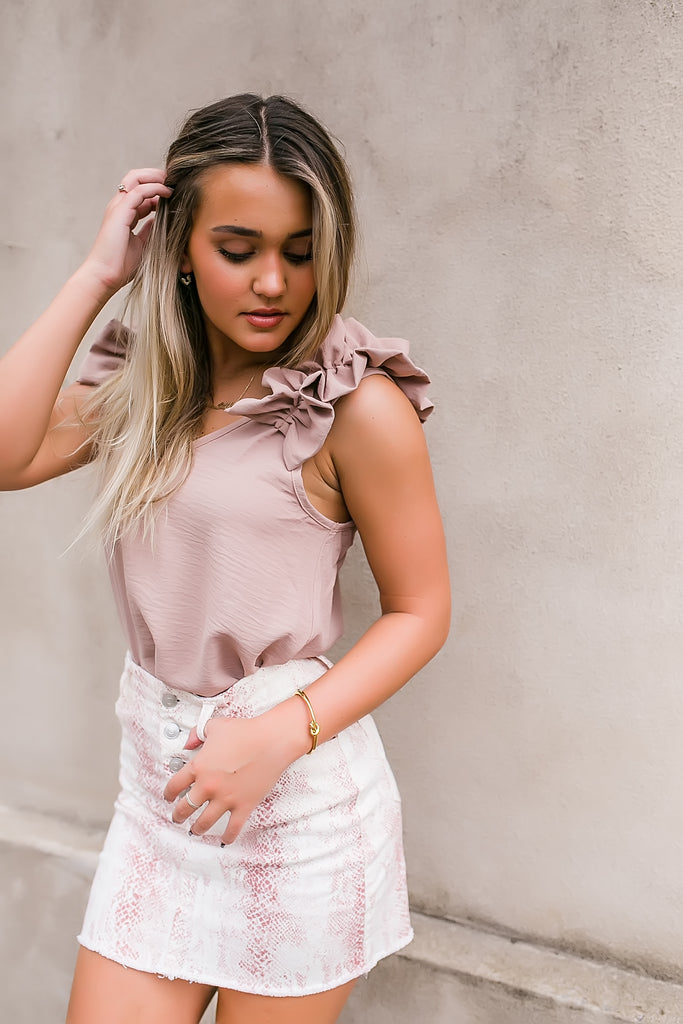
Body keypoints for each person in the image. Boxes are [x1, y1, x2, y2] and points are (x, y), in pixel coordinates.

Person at [0, 94, 450, 1024]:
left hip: (297, 814)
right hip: (160, 806)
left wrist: (278, 734)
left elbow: (422, 611)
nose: (273, 283)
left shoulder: (352, 406)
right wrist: (97, 274)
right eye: (237, 249)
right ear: (180, 247)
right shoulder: (145, 380)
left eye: (299, 251)